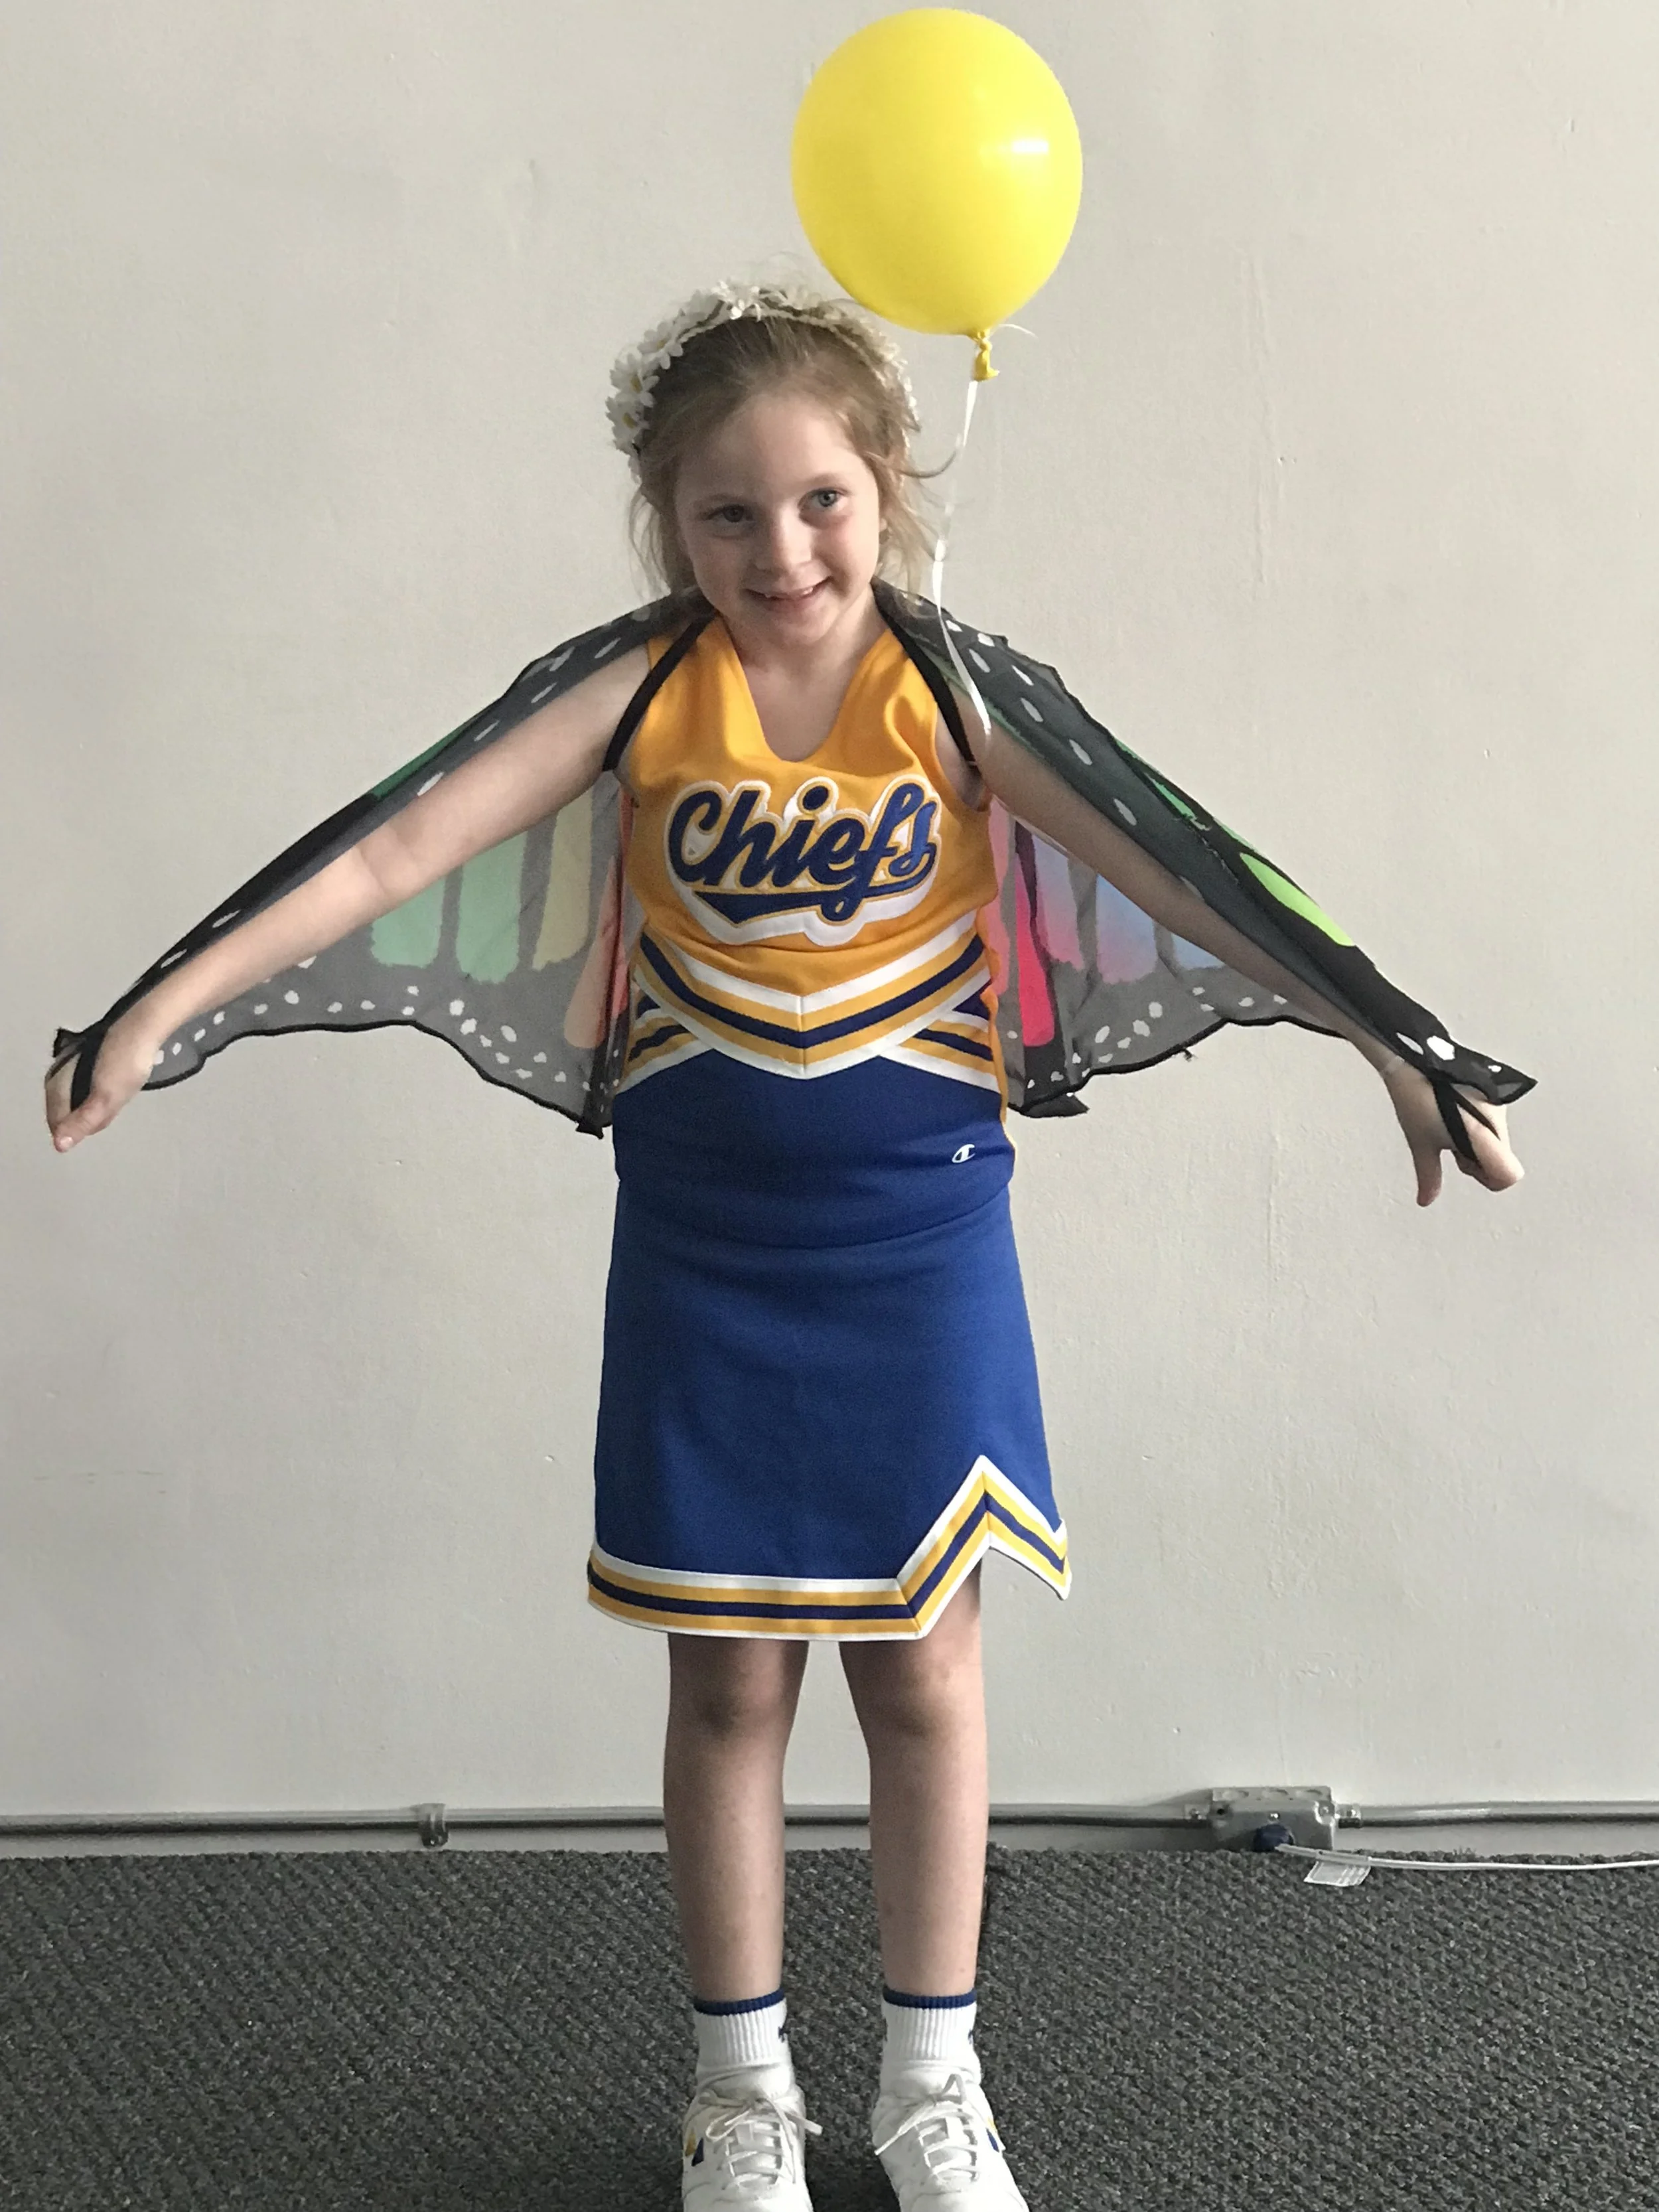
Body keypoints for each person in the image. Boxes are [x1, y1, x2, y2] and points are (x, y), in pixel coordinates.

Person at [45, 281, 1525, 2211]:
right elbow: (393, 847)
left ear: (887, 484)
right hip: (704, 1257)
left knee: (923, 1672)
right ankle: (737, 2089)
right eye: (727, 512)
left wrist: (1389, 1043)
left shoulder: (956, 696)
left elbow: (1182, 867)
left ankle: (932, 2083)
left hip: (919, 1254)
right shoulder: (639, 693)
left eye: (821, 499)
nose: (782, 549)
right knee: (731, 1687)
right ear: (668, 521)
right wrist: (164, 1011)